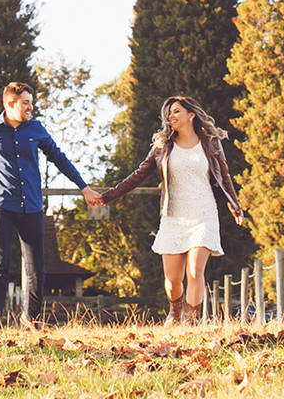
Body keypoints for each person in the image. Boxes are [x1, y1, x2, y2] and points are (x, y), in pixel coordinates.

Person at [0, 81, 101, 328]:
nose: (30, 108)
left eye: (31, 103)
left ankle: (32, 319)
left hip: (32, 207)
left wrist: (84, 187)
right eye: (26, 103)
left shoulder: (36, 129)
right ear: (10, 104)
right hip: (1, 206)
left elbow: (59, 159)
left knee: (37, 270)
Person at [97, 96, 244, 325]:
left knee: (195, 270)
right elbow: (138, 175)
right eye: (169, 113)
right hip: (174, 216)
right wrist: (107, 196)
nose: (171, 116)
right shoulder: (163, 147)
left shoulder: (211, 143)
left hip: (204, 213)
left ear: (191, 115)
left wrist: (234, 205)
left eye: (176, 111)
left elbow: (224, 176)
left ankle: (191, 321)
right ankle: (175, 311)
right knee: (173, 280)